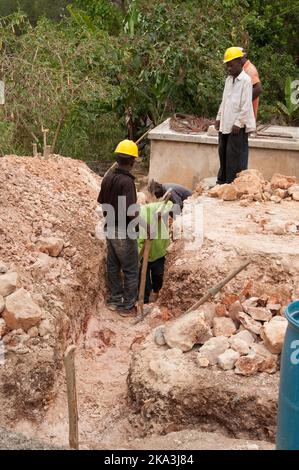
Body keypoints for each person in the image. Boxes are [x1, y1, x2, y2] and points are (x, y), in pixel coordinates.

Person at [98, 139, 140, 316]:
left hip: (110, 228)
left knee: (113, 265)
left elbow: (101, 201)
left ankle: (115, 300)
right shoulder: (127, 182)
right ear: (132, 161)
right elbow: (131, 211)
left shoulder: (108, 178)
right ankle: (128, 306)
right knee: (130, 269)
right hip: (124, 230)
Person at [215, 46, 256, 184]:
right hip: (225, 125)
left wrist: (239, 123)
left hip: (237, 127)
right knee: (223, 154)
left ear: (239, 62)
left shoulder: (246, 80)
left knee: (235, 157)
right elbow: (224, 101)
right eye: (227, 66)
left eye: (231, 65)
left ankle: (232, 184)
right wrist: (219, 117)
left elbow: (246, 105)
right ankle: (222, 182)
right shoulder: (228, 80)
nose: (229, 68)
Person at [138, 201, 173, 304]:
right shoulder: (132, 224)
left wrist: (161, 213)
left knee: (158, 275)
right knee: (144, 280)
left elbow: (169, 203)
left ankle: (157, 294)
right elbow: (137, 242)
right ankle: (144, 300)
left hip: (159, 250)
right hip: (143, 254)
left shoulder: (151, 207)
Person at [239, 47, 262, 119]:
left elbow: (258, 89)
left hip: (247, 116)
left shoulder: (250, 69)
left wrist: (243, 104)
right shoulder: (243, 69)